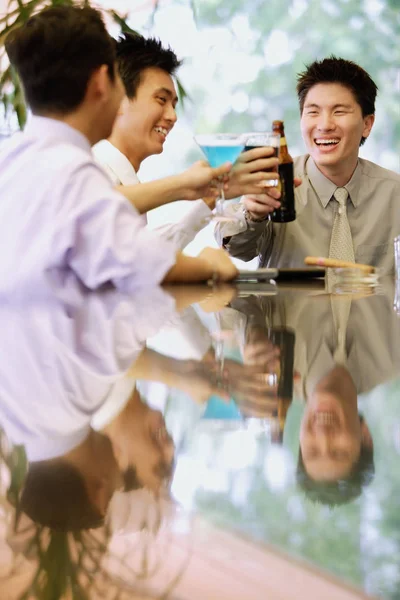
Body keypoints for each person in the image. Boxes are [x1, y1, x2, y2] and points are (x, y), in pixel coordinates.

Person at [1, 5, 238, 293]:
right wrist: (208, 265)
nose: (172, 116)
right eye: (117, 80)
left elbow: (120, 255)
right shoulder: (72, 171)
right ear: (102, 82)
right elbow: (120, 248)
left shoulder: (16, 159)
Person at [93, 32, 280, 249]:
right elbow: (91, 205)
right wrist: (185, 184)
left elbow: (141, 255)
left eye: (173, 104)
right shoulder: (91, 169)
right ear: (118, 98)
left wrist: (209, 196)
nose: (172, 116)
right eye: (161, 100)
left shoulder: (123, 178)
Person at [217, 57, 400, 274]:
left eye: (339, 111)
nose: (324, 125)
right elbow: (236, 248)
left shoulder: (394, 194)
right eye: (313, 112)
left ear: (367, 124)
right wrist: (253, 214)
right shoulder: (274, 183)